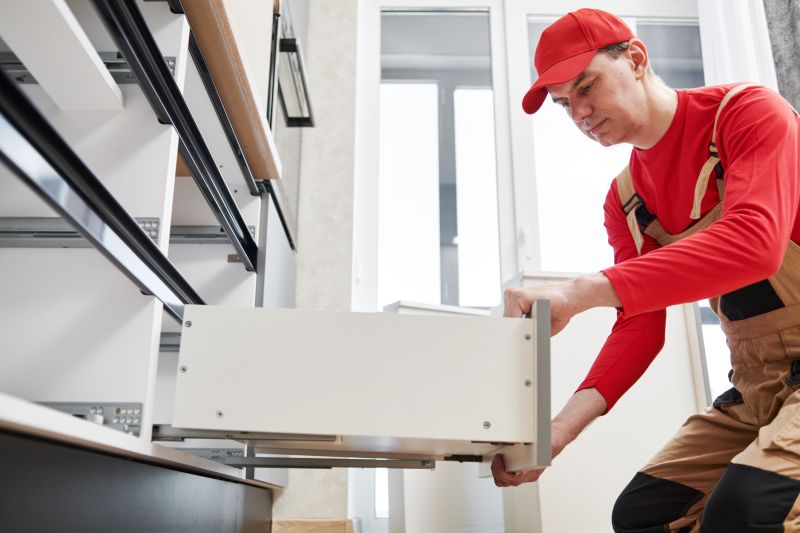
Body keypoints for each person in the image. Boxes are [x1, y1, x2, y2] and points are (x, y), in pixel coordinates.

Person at [490, 7, 800, 532]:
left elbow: (755, 244)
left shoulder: (748, 114)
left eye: (586, 87)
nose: (580, 113)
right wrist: (557, 433)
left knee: (747, 510)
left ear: (635, 59)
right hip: (759, 384)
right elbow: (640, 324)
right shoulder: (628, 201)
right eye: (565, 104)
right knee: (642, 516)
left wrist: (583, 291)